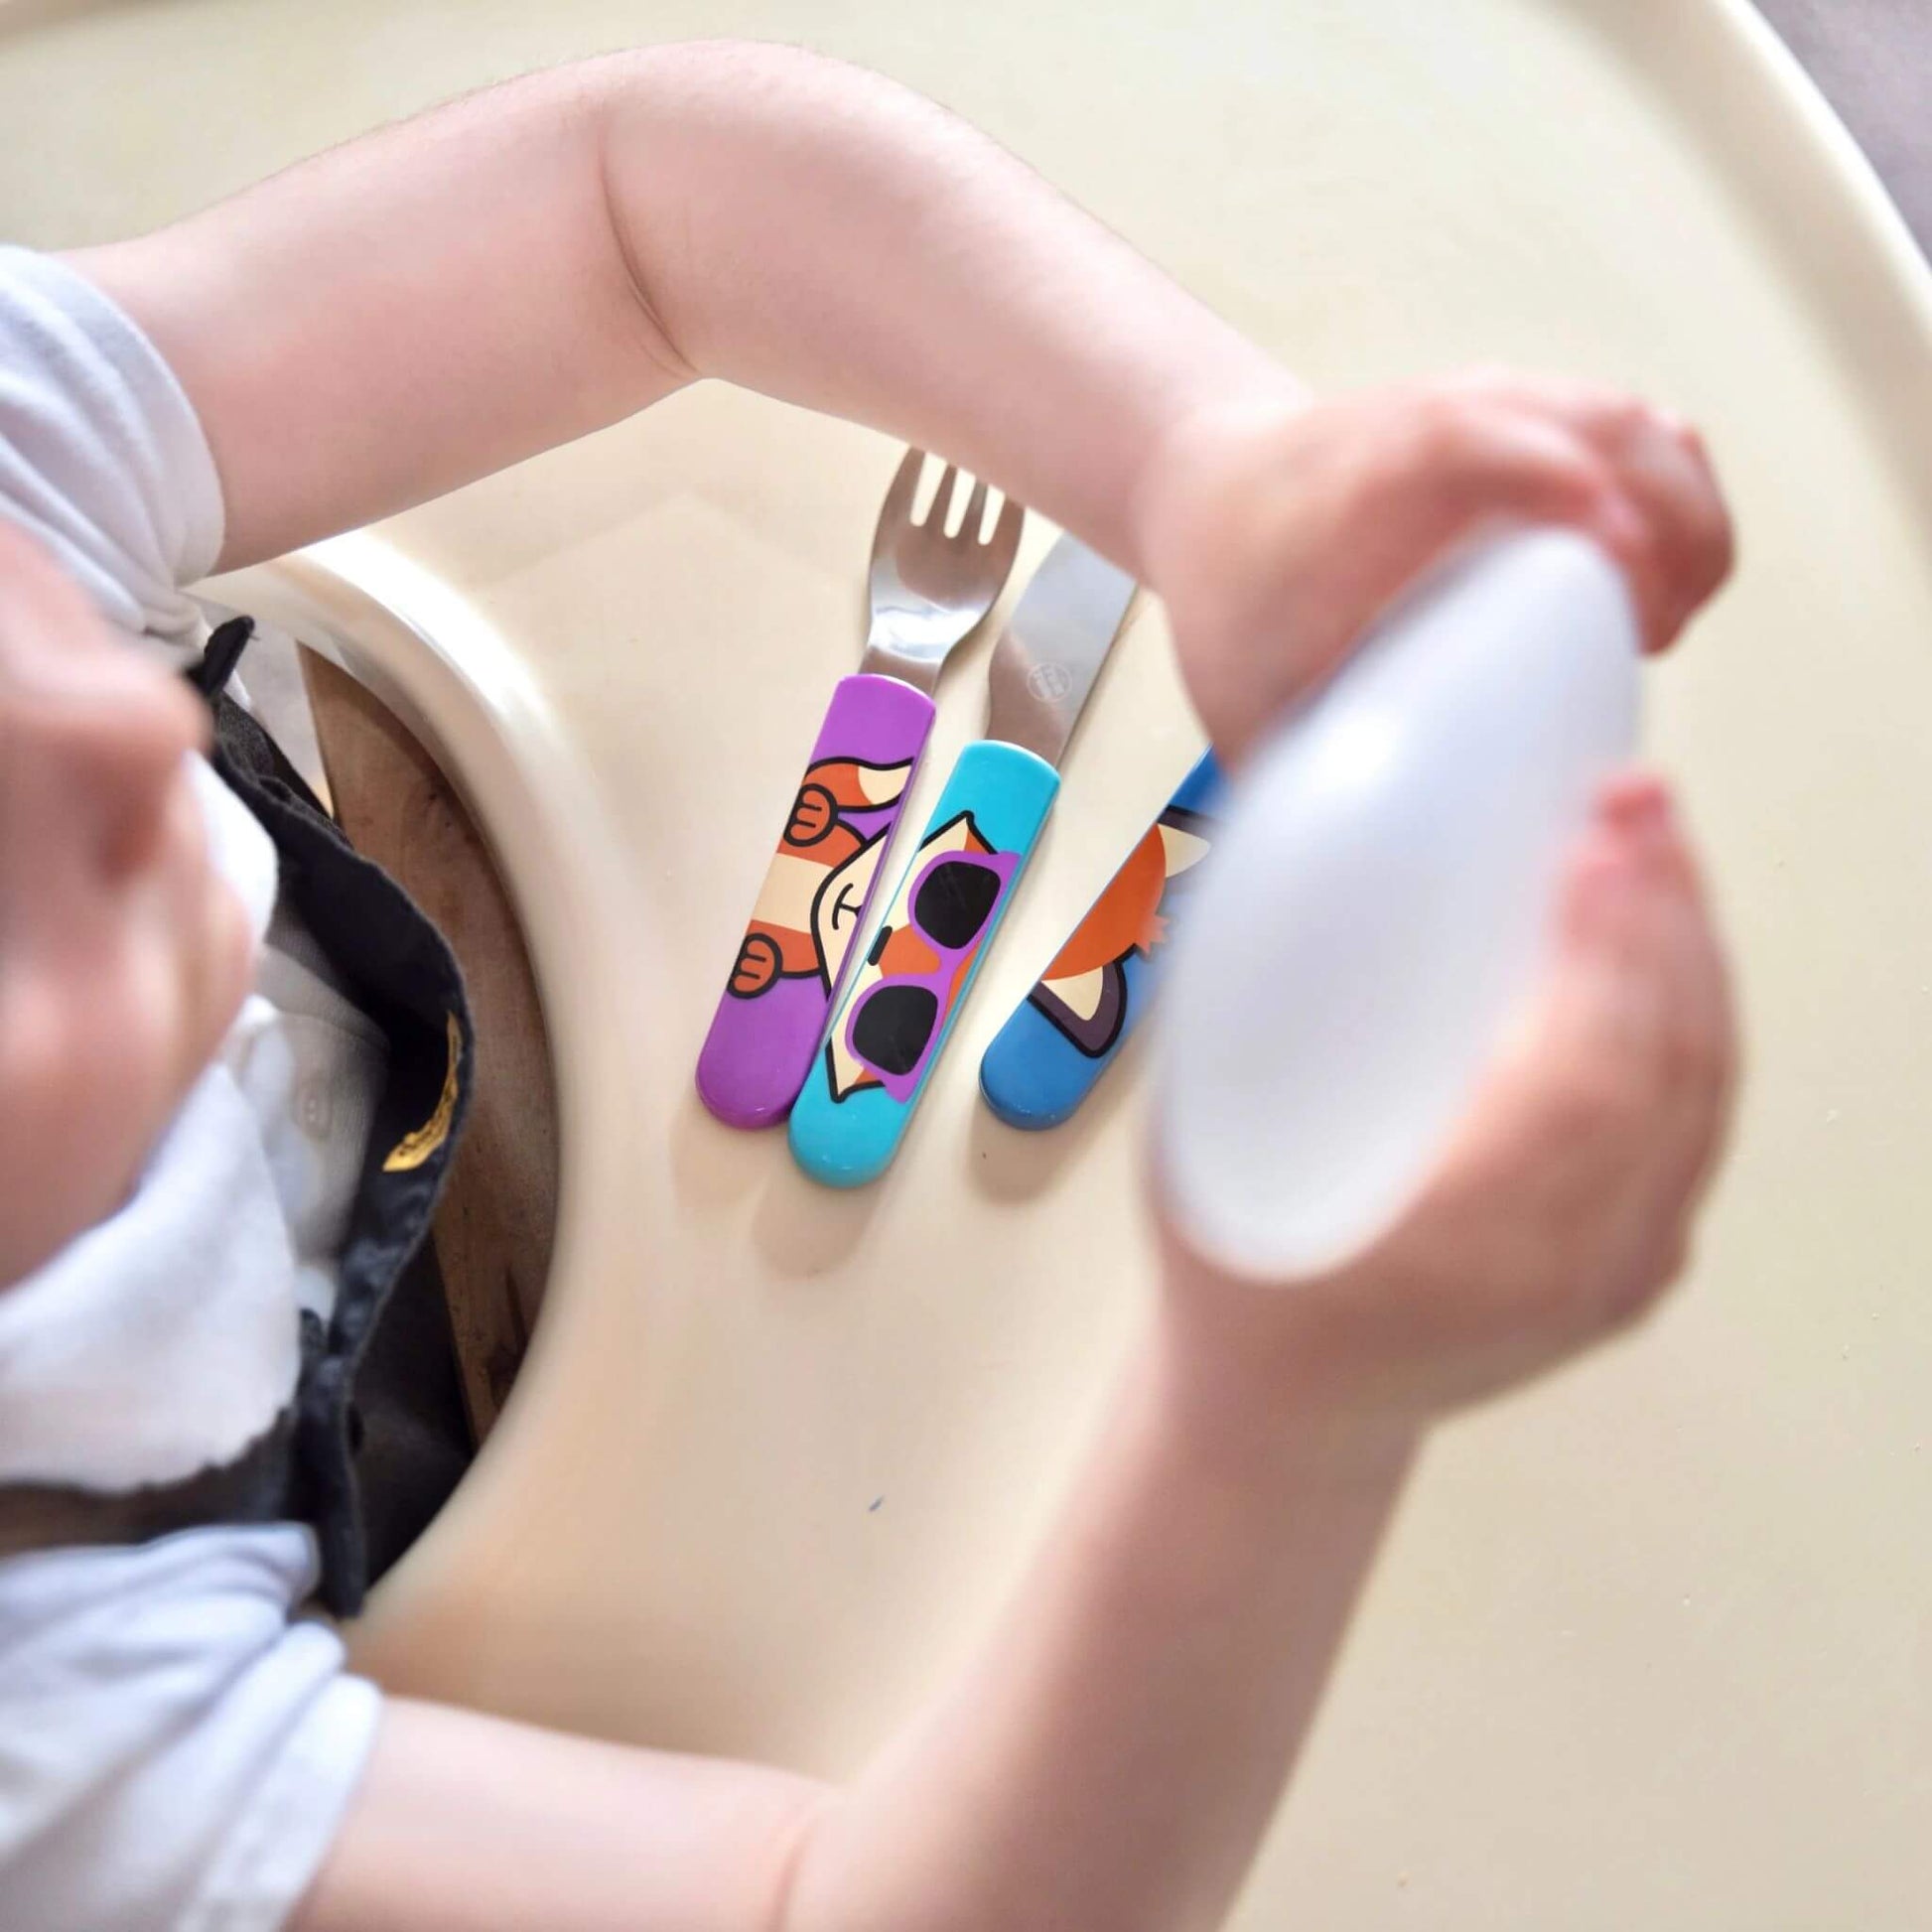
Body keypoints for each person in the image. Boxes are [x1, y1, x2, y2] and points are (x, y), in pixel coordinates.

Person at [0, 40, 1733, 1932]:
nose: (101, 726)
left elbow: (633, 209)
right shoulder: (54, 1754)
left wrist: (1206, 464)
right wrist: (1290, 1395)